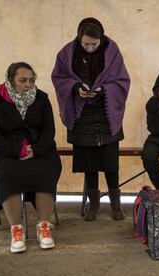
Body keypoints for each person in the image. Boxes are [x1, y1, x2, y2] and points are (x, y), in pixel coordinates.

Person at [51, 18, 130, 221]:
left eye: (94, 44)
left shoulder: (112, 52)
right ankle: (94, 205)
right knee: (90, 164)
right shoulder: (67, 53)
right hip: (82, 115)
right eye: (86, 43)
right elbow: (59, 78)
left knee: (111, 164)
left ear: (101, 38)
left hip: (106, 115)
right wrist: (76, 88)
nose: (90, 48)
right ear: (79, 38)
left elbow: (122, 80)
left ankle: (116, 206)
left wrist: (103, 90)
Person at [0, 62, 62, 253]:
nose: (28, 84)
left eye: (31, 80)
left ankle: (43, 227)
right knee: (7, 172)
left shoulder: (42, 98)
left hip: (39, 148)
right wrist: (17, 151)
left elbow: (49, 130)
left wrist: (37, 149)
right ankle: (16, 230)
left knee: (47, 168)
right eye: (22, 80)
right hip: (6, 151)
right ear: (10, 80)